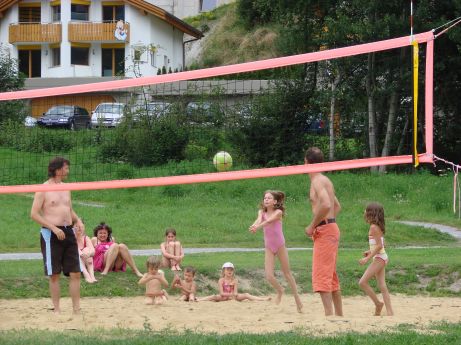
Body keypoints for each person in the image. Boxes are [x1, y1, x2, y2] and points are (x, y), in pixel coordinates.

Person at [30, 157, 84, 314]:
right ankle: (57, 309)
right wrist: (54, 228)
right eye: (66, 168)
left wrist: (78, 220)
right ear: (58, 169)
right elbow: (33, 214)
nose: (68, 171)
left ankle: (76, 309)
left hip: (68, 232)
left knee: (75, 273)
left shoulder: (66, 187)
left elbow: (68, 209)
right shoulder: (43, 189)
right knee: (54, 274)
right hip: (51, 234)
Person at [304, 147, 343, 316]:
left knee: (321, 275)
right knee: (330, 276)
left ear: (306, 162)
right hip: (330, 228)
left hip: (326, 230)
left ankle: (330, 316)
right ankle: (339, 315)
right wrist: (328, 221)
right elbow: (337, 206)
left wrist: (313, 225)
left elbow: (327, 204)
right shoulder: (325, 180)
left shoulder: (317, 181)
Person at [249, 190, 303, 313]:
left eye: (269, 198)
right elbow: (258, 220)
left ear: (275, 201)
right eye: (265, 198)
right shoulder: (261, 212)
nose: (266, 200)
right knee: (269, 275)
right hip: (269, 246)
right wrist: (253, 226)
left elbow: (269, 221)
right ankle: (280, 290)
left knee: (287, 274)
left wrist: (258, 227)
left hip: (280, 245)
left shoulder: (278, 212)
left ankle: (297, 300)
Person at [359, 202, 394, 316]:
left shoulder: (374, 227)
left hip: (379, 258)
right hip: (380, 257)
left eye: (366, 210)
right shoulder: (376, 227)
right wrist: (370, 251)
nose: (364, 212)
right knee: (382, 286)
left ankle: (378, 304)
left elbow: (379, 245)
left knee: (362, 282)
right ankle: (390, 312)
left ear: (371, 213)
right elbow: (380, 244)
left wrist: (367, 258)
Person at [198, 262, 271, 302]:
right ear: (224, 271)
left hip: (233, 297)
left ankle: (263, 299)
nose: (229, 271)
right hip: (224, 297)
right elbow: (221, 293)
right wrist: (230, 295)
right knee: (214, 296)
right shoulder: (221, 280)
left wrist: (233, 295)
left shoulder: (235, 280)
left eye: (231, 270)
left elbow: (236, 292)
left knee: (246, 294)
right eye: (228, 270)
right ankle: (199, 299)